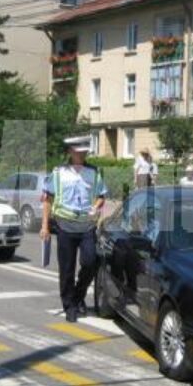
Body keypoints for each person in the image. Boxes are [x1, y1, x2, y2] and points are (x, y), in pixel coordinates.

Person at [40, 136, 108, 323]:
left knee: (90, 262)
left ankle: (78, 296)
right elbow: (47, 199)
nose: (82, 154)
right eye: (79, 151)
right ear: (70, 151)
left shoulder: (94, 172)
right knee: (67, 269)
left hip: (87, 225)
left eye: (85, 151)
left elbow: (101, 195)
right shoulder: (59, 172)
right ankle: (69, 305)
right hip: (65, 226)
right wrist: (44, 226)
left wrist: (96, 205)